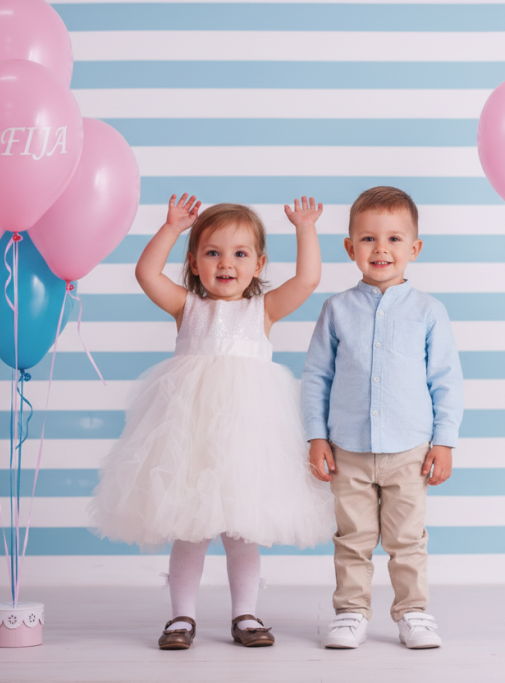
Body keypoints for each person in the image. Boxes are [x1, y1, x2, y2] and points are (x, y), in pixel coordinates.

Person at [90, 194, 334, 650]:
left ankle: (246, 614)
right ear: (194, 262)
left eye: (240, 254)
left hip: (247, 438)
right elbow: (146, 274)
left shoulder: (263, 310)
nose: (226, 263)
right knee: (191, 528)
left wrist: (305, 228)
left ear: (259, 264)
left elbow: (307, 279)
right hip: (190, 437)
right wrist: (171, 228)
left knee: (243, 530)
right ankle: (181, 617)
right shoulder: (187, 307)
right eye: (212, 252)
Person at [302, 186, 464, 650]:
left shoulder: (429, 311)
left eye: (394, 239)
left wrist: (444, 441)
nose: (381, 249)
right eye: (368, 239)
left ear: (414, 248)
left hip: (410, 449)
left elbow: (446, 380)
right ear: (350, 247)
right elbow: (316, 377)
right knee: (352, 538)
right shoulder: (336, 309)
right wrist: (316, 437)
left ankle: (413, 612)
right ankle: (351, 612)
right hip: (347, 448)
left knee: (407, 539)